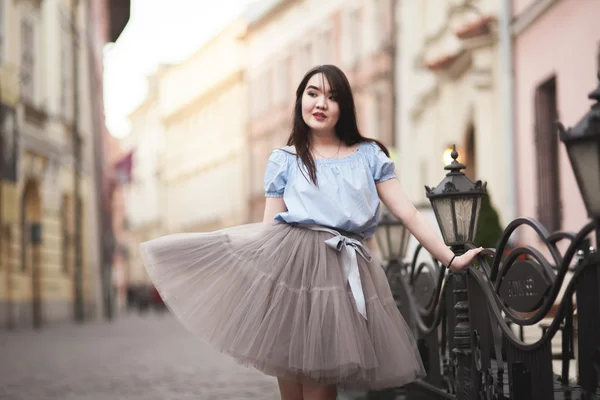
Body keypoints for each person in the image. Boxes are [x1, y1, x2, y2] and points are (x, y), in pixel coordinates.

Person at [140, 65, 483, 400]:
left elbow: (407, 211)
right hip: (290, 273)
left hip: (338, 274)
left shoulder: (369, 155)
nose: (320, 103)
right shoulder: (284, 160)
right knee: (291, 382)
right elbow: (267, 231)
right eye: (312, 93)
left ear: (343, 107)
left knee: (320, 380)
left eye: (331, 97)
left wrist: (450, 258)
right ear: (300, 100)